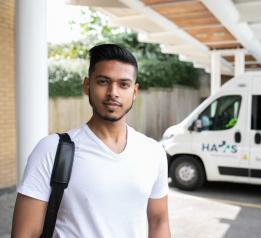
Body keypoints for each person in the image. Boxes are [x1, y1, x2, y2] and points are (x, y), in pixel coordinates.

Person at [11, 44, 171, 238]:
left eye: (123, 84)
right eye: (103, 82)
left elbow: (159, 221)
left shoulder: (152, 152)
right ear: (87, 85)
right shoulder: (52, 150)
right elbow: (24, 234)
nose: (113, 92)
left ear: (134, 92)